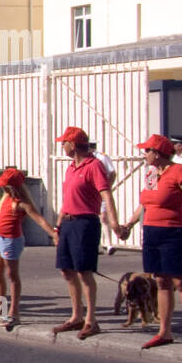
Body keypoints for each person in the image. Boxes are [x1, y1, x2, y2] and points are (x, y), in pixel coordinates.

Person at [117, 134, 182, 353]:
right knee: (161, 281)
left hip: (176, 232)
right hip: (153, 232)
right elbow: (144, 204)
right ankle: (165, 331)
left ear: (158, 153)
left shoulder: (179, 171)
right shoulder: (152, 174)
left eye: (147, 151)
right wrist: (129, 224)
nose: (144, 154)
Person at [53, 125, 122, 340]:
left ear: (72, 145)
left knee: (84, 271)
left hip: (85, 223)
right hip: (69, 223)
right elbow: (67, 200)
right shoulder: (71, 167)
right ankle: (77, 316)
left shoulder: (94, 166)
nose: (62, 145)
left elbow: (106, 195)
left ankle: (92, 320)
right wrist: (58, 226)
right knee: (67, 270)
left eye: (64, 142)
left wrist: (115, 223)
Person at [0, 167, 58, 330]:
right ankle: (1, 307)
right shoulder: (5, 198)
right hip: (0, 238)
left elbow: (40, 220)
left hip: (11, 241)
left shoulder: (21, 203)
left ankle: (14, 312)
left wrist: (53, 234)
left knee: (11, 275)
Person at [88, 141, 118, 254]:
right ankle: (96, 245)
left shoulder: (102, 157)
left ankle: (109, 244)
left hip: (101, 191)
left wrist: (107, 187)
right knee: (91, 217)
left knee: (104, 217)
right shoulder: (84, 159)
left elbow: (113, 173)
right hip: (90, 192)